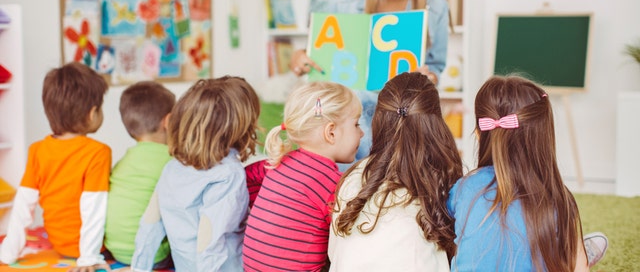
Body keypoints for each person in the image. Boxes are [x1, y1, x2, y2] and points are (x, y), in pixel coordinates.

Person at [290, 0, 451, 161]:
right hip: (345, 119)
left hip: (401, 117)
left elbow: (436, 66)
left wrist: (428, 79)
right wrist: (300, 57)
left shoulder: (436, 4)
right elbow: (318, 52)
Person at [446, 75, 606, 271]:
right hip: (561, 252)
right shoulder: (557, 198)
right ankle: (581, 252)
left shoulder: (465, 187)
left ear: (479, 133)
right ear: (544, 137)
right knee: (569, 251)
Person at [329, 72, 462, 271]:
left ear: (378, 120)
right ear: (436, 125)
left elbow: (336, 253)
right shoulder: (441, 180)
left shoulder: (353, 177)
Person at [128, 76, 260, 271]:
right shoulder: (229, 174)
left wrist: (138, 268)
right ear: (241, 127)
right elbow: (209, 243)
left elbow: (151, 222)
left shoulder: (172, 168)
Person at [0, 62, 111, 272]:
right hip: (91, 248)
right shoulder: (98, 152)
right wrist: (88, 258)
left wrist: (8, 252)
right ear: (92, 113)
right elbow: (93, 207)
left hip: (59, 244)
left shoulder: (38, 150)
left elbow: (24, 205)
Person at [242, 81, 364, 272]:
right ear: (331, 132)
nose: (362, 133)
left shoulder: (278, 162)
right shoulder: (332, 183)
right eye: (356, 124)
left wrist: (275, 211)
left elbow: (247, 177)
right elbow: (353, 233)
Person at [104, 81, 176, 268]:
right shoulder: (171, 161)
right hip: (153, 256)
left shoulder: (123, 162)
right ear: (168, 121)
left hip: (116, 249)